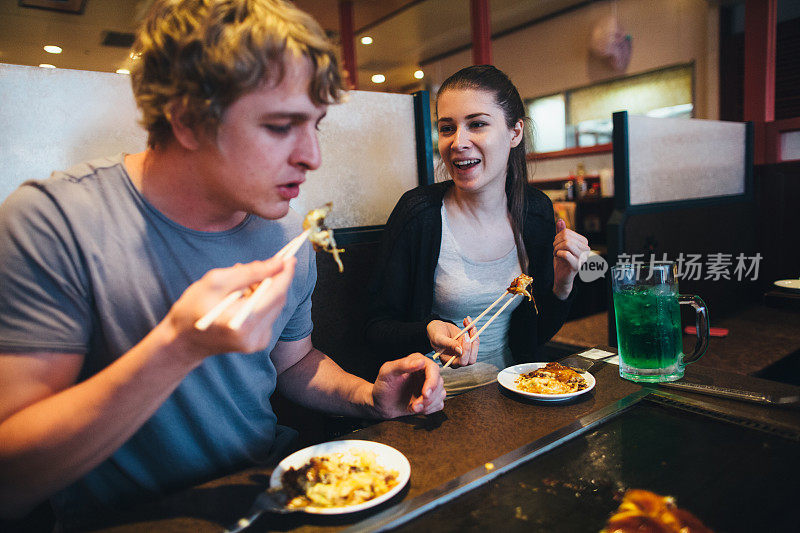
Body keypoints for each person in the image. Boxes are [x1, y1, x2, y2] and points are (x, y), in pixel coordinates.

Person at [0, 0, 444, 526]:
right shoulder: (56, 223)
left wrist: (369, 397)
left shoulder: (284, 233)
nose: (312, 156)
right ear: (187, 119)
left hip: (269, 495)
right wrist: (179, 348)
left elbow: (293, 364)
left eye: (315, 126)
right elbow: (12, 482)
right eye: (282, 126)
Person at [365, 65, 590, 395]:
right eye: (447, 128)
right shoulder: (419, 215)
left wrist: (562, 282)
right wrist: (427, 330)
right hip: (434, 399)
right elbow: (374, 329)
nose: (458, 142)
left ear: (515, 132)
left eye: (477, 124)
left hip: (517, 391)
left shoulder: (536, 211)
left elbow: (535, 334)